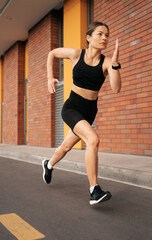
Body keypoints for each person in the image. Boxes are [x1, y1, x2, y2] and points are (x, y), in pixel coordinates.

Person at [42, 21, 121, 205]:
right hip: (72, 108)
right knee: (93, 140)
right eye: (100, 34)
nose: (104, 38)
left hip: (89, 111)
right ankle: (94, 190)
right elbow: (52, 53)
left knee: (66, 147)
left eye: (107, 35)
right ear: (89, 37)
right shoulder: (77, 54)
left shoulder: (107, 62)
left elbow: (116, 89)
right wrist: (49, 77)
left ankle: (49, 164)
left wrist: (115, 66)